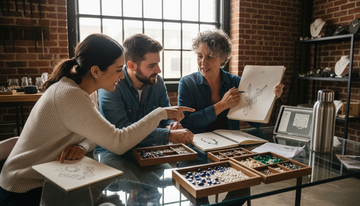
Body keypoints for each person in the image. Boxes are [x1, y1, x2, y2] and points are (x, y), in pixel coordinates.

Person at [0, 34, 194, 206]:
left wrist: (83, 145)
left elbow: (97, 133)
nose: (121, 75)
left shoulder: (84, 91)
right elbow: (117, 141)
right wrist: (161, 112)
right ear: (95, 71)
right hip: (23, 189)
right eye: (118, 69)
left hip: (51, 178)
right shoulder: (70, 95)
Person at [93, 33, 193, 162]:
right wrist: (167, 135)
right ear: (131, 66)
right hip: (114, 153)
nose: (158, 70)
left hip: (149, 149)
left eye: (158, 63)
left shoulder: (157, 82)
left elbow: (165, 116)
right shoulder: (111, 85)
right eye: (151, 65)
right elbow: (121, 130)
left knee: (172, 178)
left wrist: (172, 125)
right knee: (128, 183)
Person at [178, 29, 284, 134]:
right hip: (198, 144)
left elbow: (256, 124)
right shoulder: (187, 83)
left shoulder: (236, 82)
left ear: (223, 58)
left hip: (231, 144)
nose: (203, 62)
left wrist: (270, 96)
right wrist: (222, 105)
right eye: (200, 56)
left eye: (210, 57)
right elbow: (186, 122)